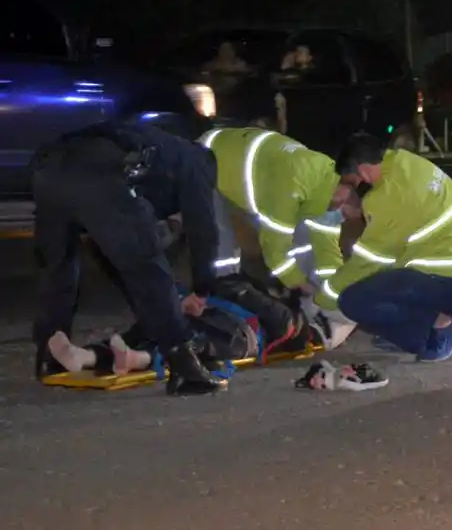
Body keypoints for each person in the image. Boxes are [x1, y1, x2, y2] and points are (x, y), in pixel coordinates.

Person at [31, 122, 227, 396]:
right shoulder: (197, 162)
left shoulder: (156, 149)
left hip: (49, 167)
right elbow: (202, 230)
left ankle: (50, 352)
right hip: (97, 169)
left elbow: (113, 251)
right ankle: (185, 368)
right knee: (147, 264)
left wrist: (146, 304)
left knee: (57, 265)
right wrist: (202, 289)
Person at [316, 134, 452, 362]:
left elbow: (367, 263)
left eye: (351, 178)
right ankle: (423, 325)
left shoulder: (387, 197)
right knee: (386, 283)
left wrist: (325, 296)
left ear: (362, 169)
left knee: (353, 301)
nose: (355, 184)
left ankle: (437, 334)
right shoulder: (406, 162)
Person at [198, 126, 356, 349]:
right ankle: (221, 303)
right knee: (221, 245)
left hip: (253, 171)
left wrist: (333, 291)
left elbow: (326, 254)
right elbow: (275, 250)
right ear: (343, 194)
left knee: (303, 240)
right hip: (210, 156)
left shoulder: (329, 192)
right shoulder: (293, 184)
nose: (345, 219)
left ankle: (278, 304)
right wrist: (302, 285)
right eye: (347, 213)